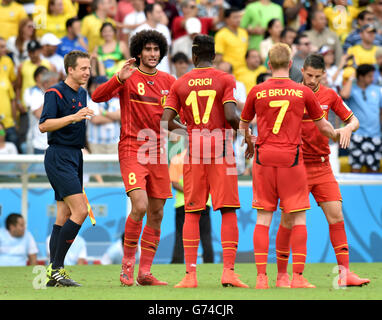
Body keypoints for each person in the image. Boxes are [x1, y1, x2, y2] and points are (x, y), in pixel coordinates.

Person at [239, 42, 337, 289]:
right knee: (298, 218)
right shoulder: (302, 92)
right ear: (291, 64)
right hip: (292, 160)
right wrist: (339, 133)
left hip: (263, 159)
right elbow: (323, 126)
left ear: (269, 64)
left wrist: (250, 140)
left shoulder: (257, 91)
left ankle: (262, 278)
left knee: (263, 218)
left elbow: (243, 125)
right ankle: (297, 278)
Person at [161, 34, 253, 288]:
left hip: (194, 152)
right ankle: (229, 273)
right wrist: (247, 134)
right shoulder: (225, 79)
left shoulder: (180, 83)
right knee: (228, 210)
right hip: (222, 151)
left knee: (192, 211)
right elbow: (230, 115)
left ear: (193, 56)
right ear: (214, 56)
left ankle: (190, 275)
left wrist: (189, 130)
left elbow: (166, 120)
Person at [277, 53, 370, 288]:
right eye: (308, 75)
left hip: (322, 165)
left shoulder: (329, 95)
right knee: (289, 220)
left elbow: (354, 120)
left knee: (336, 215)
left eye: (317, 76)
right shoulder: (293, 94)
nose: (311, 80)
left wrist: (348, 129)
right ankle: (282, 275)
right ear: (302, 70)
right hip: (296, 166)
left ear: (324, 75)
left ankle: (345, 273)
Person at [92, 30, 175, 286]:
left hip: (158, 151)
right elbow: (97, 97)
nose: (152, 54)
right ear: (138, 52)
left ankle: (145, 272)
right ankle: (127, 267)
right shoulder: (127, 75)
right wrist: (118, 78)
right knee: (139, 205)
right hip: (131, 148)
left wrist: (195, 131)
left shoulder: (169, 81)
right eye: (148, 49)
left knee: (157, 212)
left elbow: (172, 121)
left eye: (156, 50)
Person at [39, 50, 93, 287]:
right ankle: (57, 269)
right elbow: (44, 125)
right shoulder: (54, 92)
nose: (87, 72)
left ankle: (53, 276)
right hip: (59, 155)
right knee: (80, 211)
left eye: (89, 68)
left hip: (74, 156)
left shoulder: (82, 93)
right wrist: (73, 117)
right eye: (83, 68)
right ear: (69, 69)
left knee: (63, 215)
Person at [169, 141, 214, 264]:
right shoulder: (205, 160)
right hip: (204, 202)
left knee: (180, 235)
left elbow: (174, 183)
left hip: (183, 203)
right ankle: (209, 263)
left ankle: (177, 262)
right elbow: (210, 181)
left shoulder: (177, 160)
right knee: (205, 235)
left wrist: (189, 193)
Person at [340, 64, 382, 173]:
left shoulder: (378, 90)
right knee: (355, 168)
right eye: (369, 76)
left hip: (375, 135)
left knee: (373, 169)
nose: (372, 79)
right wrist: (351, 78)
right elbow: (344, 94)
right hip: (356, 135)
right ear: (361, 77)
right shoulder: (351, 89)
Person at [24, 67, 59, 154]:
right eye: (54, 82)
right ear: (46, 83)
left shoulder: (58, 95)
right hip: (38, 143)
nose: (58, 85)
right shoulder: (33, 93)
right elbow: (39, 114)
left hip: (56, 143)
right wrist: (50, 95)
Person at [130, 2, 172, 74]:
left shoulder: (165, 29)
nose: (161, 14)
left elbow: (168, 53)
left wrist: (170, 70)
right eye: (158, 12)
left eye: (161, 12)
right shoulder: (139, 31)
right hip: (145, 73)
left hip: (164, 71)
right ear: (149, 14)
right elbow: (134, 54)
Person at [87, 75, 120, 154]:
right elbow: (95, 119)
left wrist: (104, 113)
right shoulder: (91, 102)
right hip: (96, 143)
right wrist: (114, 116)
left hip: (114, 143)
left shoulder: (115, 101)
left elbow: (121, 116)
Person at [214, 7, 248, 78]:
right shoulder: (221, 35)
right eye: (235, 17)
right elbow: (218, 57)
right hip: (229, 71)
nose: (238, 20)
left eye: (239, 17)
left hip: (244, 71)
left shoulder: (244, 32)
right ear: (227, 19)